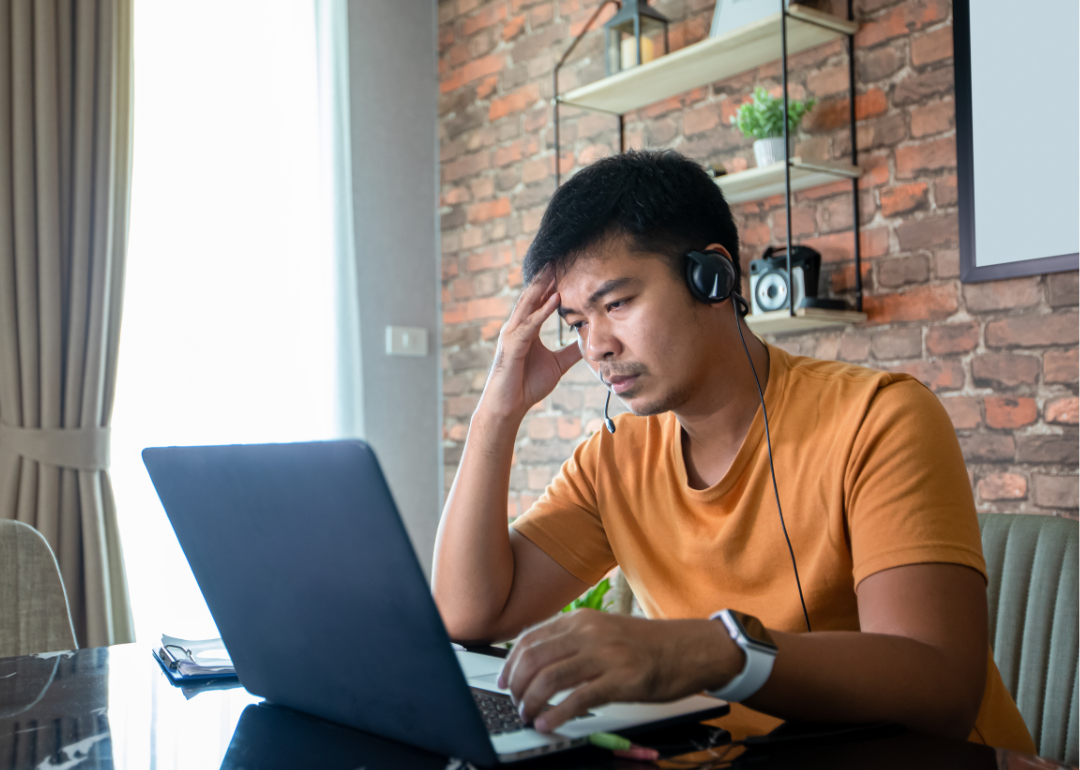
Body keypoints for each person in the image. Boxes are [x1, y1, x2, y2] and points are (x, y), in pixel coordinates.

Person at [431, 150, 1034, 752]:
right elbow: (470, 614)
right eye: (578, 322)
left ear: (710, 278)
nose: (597, 347)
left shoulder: (879, 418)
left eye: (616, 304)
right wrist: (498, 410)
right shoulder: (612, 462)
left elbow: (940, 691)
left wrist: (711, 651)